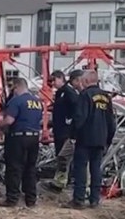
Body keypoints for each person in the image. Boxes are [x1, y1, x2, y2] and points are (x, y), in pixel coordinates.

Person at [67, 70, 116, 208]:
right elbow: (111, 121)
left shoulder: (85, 95)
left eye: (82, 80)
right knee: (96, 169)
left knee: (81, 168)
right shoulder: (106, 97)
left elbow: (80, 118)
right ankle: (95, 199)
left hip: (85, 138)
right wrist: (108, 139)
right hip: (101, 139)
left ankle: (79, 199)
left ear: (87, 81)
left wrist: (72, 135)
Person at [0, 77, 44, 207]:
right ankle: (31, 199)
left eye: (12, 88)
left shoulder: (16, 101)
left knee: (14, 168)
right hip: (34, 137)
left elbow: (9, 120)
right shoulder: (37, 101)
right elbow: (39, 120)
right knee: (30, 168)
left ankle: (12, 198)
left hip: (18, 137)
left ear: (17, 86)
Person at [48, 69, 80, 190]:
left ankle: (63, 180)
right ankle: (62, 179)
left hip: (65, 130)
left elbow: (75, 108)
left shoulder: (68, 92)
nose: (52, 83)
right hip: (60, 129)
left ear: (61, 78)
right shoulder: (61, 92)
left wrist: (69, 122)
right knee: (60, 155)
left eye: (54, 80)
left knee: (63, 156)